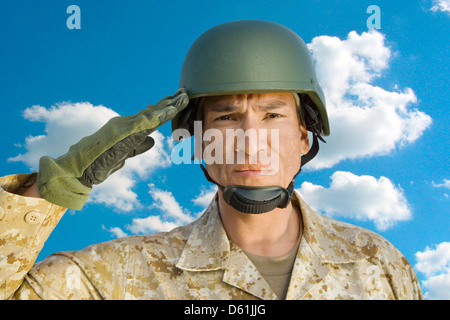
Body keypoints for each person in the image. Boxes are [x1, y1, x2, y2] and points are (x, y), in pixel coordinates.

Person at [0, 20, 422, 300]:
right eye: (226, 116)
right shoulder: (122, 274)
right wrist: (53, 186)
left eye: (272, 115)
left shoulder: (377, 263)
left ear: (303, 135)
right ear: (197, 141)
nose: (250, 139)